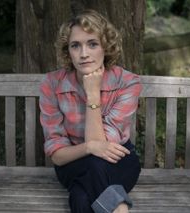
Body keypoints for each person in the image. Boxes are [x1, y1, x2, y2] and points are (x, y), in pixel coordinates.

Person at [39, 9, 142, 213]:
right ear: (68, 50)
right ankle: (119, 208)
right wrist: (89, 148)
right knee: (93, 164)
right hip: (72, 162)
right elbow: (58, 156)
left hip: (118, 159)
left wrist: (93, 94)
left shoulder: (127, 82)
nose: (84, 54)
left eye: (92, 44)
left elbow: (105, 148)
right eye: (75, 45)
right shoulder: (52, 84)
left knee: (80, 196)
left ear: (106, 46)